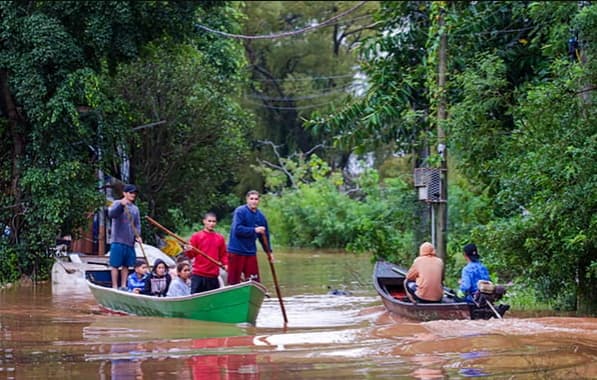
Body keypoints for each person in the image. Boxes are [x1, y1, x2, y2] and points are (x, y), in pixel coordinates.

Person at [227, 190, 271, 285]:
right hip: (236, 251)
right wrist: (254, 230)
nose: (254, 201)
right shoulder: (240, 211)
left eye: (256, 199)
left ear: (259, 201)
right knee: (233, 281)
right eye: (251, 199)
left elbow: (265, 237)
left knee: (254, 281)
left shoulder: (261, 217)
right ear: (247, 199)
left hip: (250, 252)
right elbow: (237, 230)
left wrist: (269, 252)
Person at [108, 184, 142, 289]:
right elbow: (112, 214)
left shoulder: (135, 209)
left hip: (129, 241)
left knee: (126, 265)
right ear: (124, 193)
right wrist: (121, 206)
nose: (133, 195)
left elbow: (137, 224)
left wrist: (138, 236)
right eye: (130, 193)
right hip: (117, 240)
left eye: (134, 193)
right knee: (115, 264)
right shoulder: (116, 203)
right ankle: (114, 286)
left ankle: (123, 285)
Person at [185, 212, 228, 293]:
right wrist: (188, 250)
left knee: (213, 301)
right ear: (204, 221)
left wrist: (226, 264)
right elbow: (191, 256)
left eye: (213, 221)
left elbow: (223, 255)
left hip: (213, 276)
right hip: (198, 274)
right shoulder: (196, 236)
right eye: (209, 221)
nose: (211, 223)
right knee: (196, 299)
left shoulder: (220, 238)